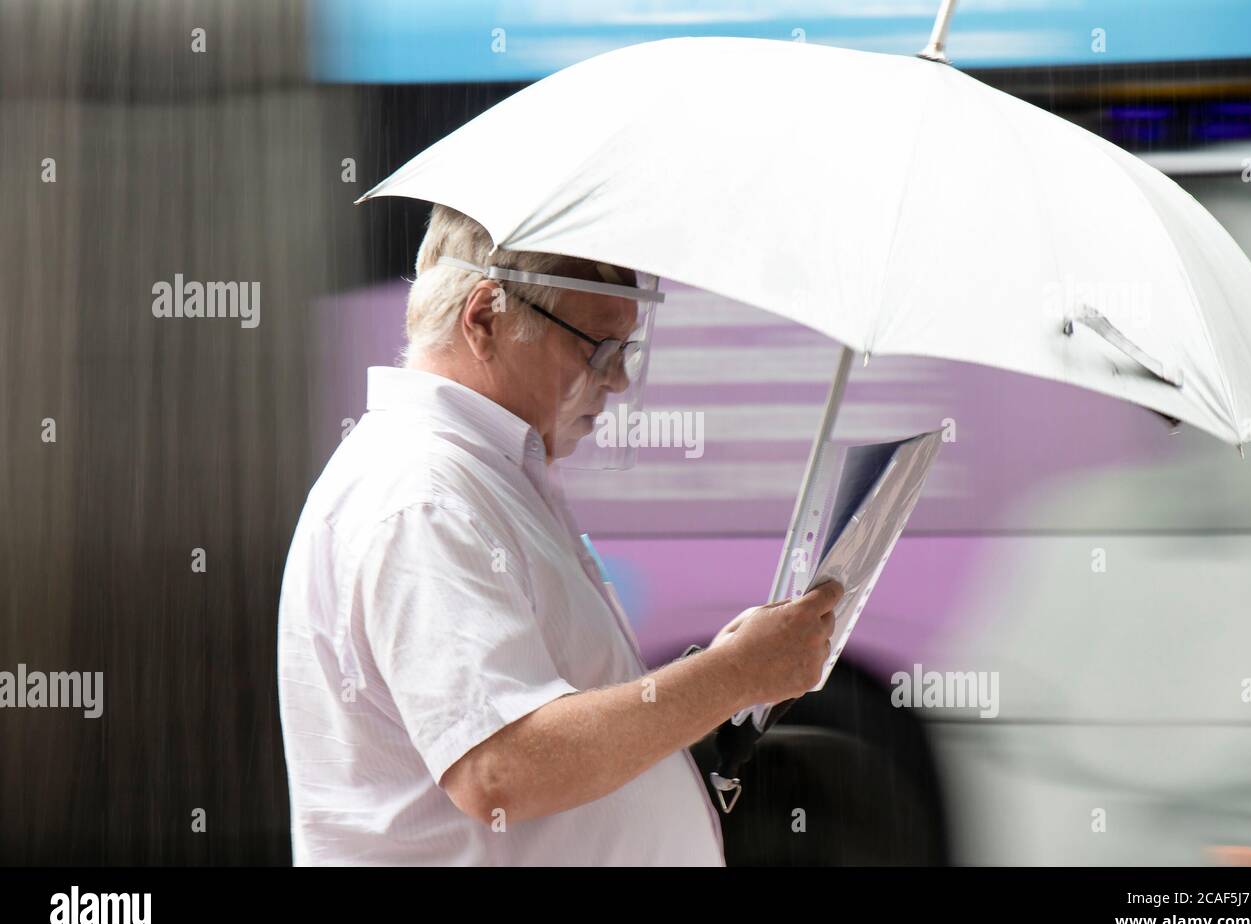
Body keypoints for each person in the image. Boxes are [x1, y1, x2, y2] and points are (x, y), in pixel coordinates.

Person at [276, 204, 842, 865]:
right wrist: (734, 673)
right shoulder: (425, 496)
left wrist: (723, 678)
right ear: (485, 318)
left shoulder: (475, 476)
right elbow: (500, 770)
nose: (620, 380)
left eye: (626, 351)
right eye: (598, 347)